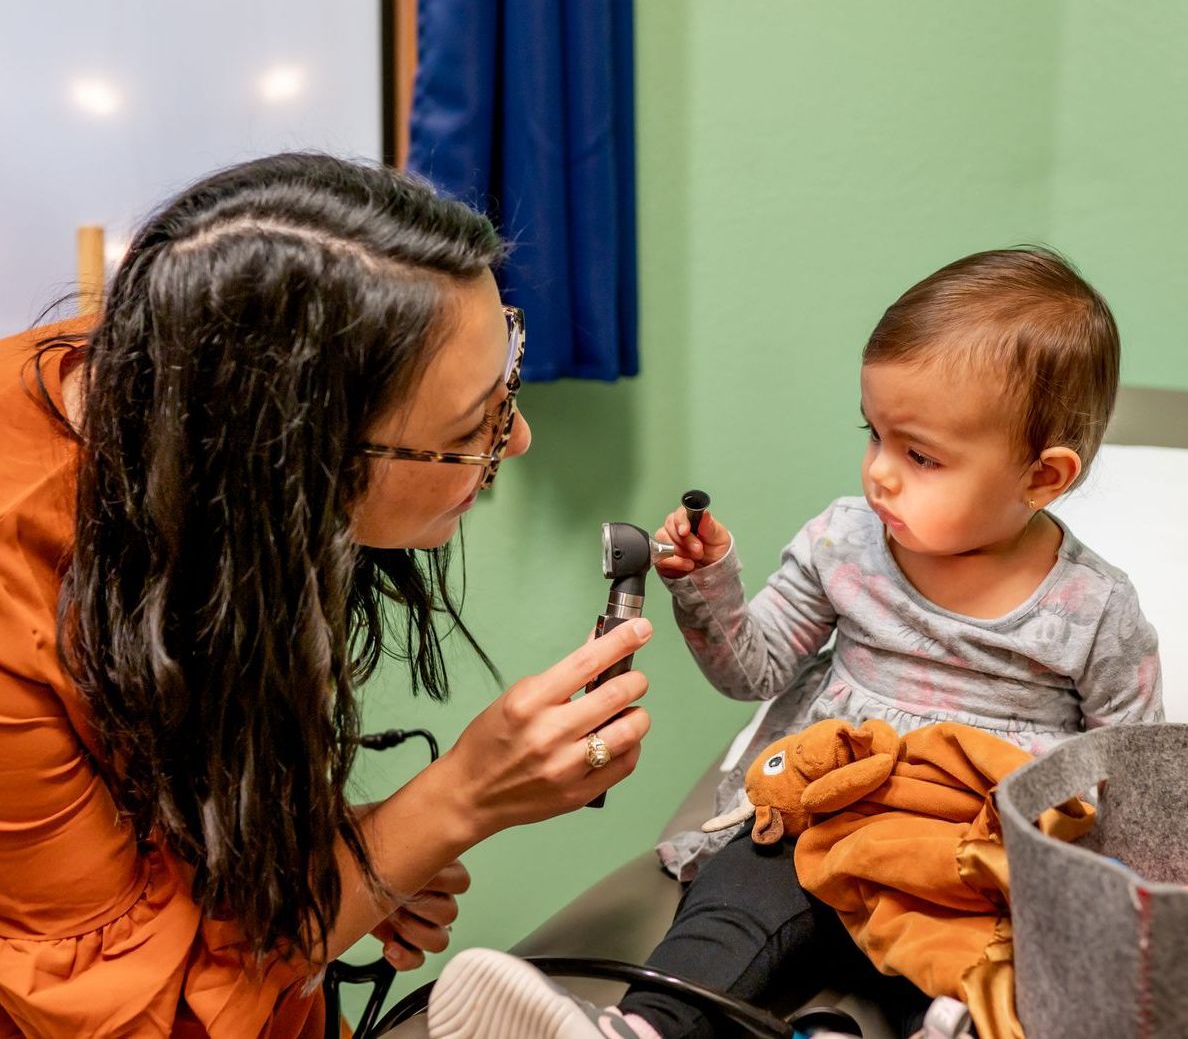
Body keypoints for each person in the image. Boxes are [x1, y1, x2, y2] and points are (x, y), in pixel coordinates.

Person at [424, 247, 1163, 1039]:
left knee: (1012, 955)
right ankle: (637, 1029)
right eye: (874, 433)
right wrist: (708, 585)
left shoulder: (1096, 608)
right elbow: (756, 667)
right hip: (817, 824)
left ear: (1042, 477)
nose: (879, 472)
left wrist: (1119, 906)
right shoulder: (846, 542)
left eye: (920, 455)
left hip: (962, 862)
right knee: (734, 900)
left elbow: (1136, 779)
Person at [0, 153, 652, 1037]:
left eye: (508, 388)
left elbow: (152, 835)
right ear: (296, 462)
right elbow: (123, 1020)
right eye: (476, 428)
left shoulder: (181, 389)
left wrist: (349, 856)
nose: (520, 439)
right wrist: (456, 800)